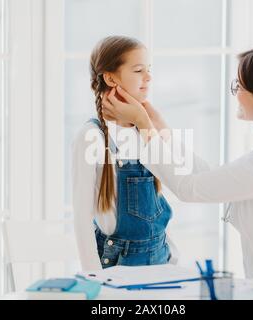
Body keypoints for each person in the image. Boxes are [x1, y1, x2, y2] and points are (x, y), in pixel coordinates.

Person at [102, 46, 253, 279]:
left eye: (239, 86)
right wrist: (162, 131)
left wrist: (144, 125)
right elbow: (211, 177)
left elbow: (189, 188)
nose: (235, 93)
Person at [72, 36, 178, 271]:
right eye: (139, 70)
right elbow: (81, 218)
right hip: (118, 269)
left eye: (149, 70)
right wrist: (94, 279)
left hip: (161, 262)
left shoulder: (146, 129)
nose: (148, 77)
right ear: (110, 78)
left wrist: (173, 255)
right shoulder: (92, 136)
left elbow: (172, 183)